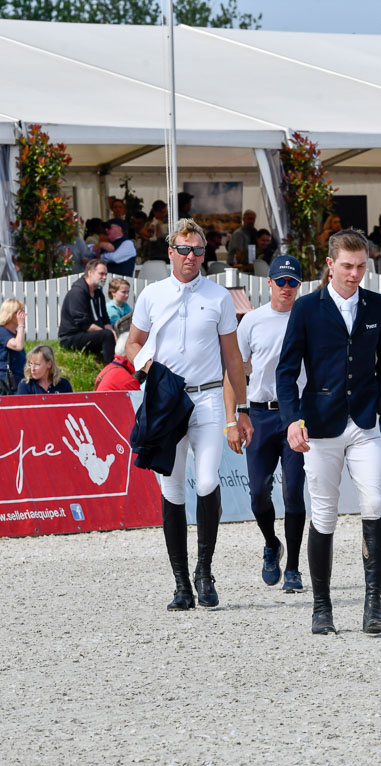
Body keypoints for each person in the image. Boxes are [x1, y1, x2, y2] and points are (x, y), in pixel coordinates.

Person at [126, 218, 253, 612]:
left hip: (209, 399)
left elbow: (233, 358)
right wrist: (149, 368)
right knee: (172, 488)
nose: (191, 257)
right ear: (170, 252)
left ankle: (204, 570)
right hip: (166, 401)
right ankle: (181, 583)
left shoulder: (218, 297)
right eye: (184, 249)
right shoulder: (152, 295)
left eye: (198, 250)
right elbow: (132, 344)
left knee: (208, 481)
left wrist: (241, 410)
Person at [276, 229, 381, 636]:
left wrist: (379, 405)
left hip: (365, 423)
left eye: (361, 266)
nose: (354, 273)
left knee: (374, 501)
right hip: (321, 425)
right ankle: (321, 607)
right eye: (347, 266)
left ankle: (373, 606)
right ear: (330, 264)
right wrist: (292, 419)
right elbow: (287, 370)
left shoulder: (377, 305)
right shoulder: (307, 308)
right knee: (324, 513)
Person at [223, 255, 307, 593]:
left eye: (293, 282)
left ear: (299, 286)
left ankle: (294, 567)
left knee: (293, 493)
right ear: (269, 283)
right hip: (259, 413)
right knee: (258, 493)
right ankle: (272, 543)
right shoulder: (253, 321)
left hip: (296, 414)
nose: (286, 288)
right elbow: (234, 371)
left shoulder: (308, 319)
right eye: (281, 281)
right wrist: (232, 418)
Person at [58, 259, 116, 364]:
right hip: (71, 337)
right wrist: (108, 334)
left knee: (113, 333)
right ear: (90, 273)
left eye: (106, 274)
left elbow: (105, 319)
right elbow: (84, 324)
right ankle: (112, 369)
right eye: (101, 274)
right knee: (107, 336)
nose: (104, 277)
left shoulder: (99, 294)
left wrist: (113, 333)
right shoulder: (77, 293)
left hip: (88, 335)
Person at [0, 298, 26, 391]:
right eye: (19, 312)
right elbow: (17, 346)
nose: (22, 315)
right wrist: (21, 325)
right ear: (10, 314)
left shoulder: (16, 333)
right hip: (5, 383)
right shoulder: (2, 331)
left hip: (18, 379)